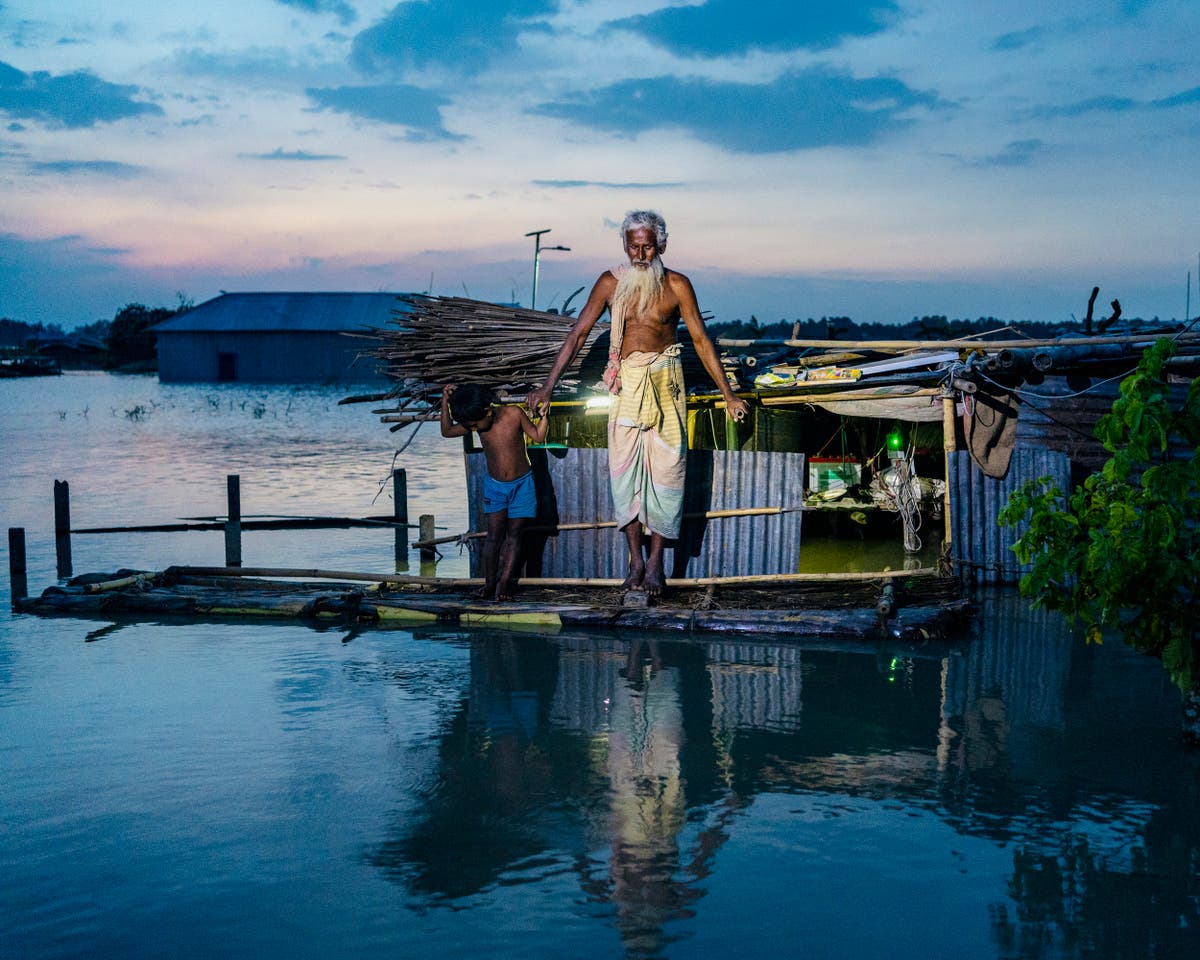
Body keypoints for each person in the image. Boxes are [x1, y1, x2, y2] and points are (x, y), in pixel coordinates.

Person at [527, 210, 750, 597]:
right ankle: (634, 562)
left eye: (648, 246)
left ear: (661, 245)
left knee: (667, 474)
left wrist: (729, 395)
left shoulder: (678, 285)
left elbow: (700, 340)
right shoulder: (610, 283)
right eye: (634, 246)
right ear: (625, 246)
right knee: (625, 474)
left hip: (667, 383)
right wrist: (547, 388)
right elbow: (578, 334)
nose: (641, 254)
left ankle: (657, 566)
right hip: (627, 385)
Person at [441, 382, 549, 601]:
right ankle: (489, 583)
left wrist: (545, 416)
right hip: (495, 486)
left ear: (488, 411)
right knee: (494, 537)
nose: (472, 429)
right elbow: (447, 431)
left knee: (516, 536)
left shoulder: (514, 414)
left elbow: (538, 436)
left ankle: (504, 584)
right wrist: (445, 401)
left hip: (523, 485)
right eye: (470, 426)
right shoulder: (479, 423)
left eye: (473, 425)